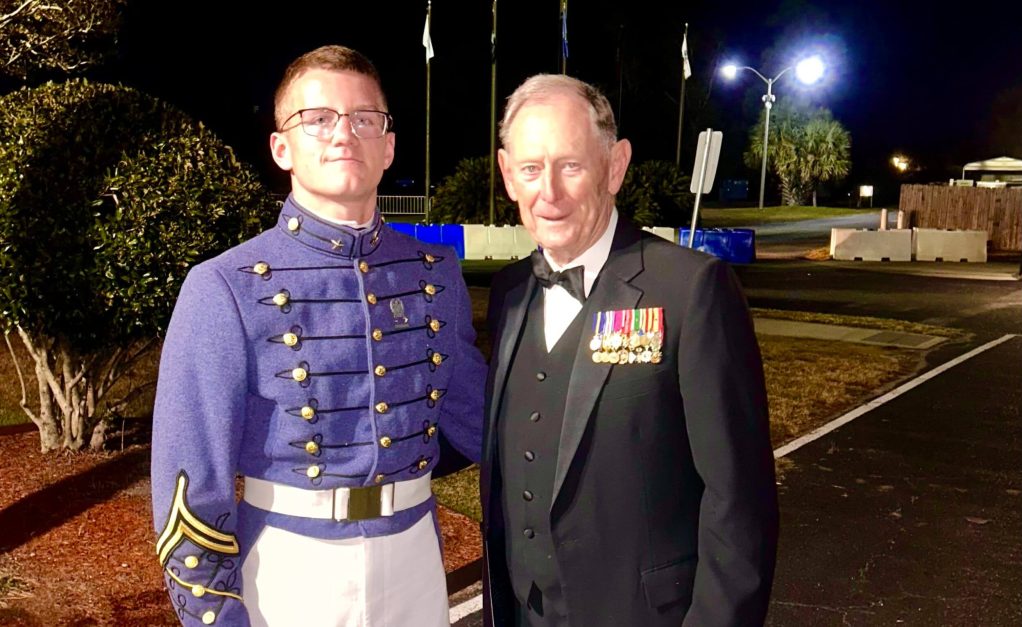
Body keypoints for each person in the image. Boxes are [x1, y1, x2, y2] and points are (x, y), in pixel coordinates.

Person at [151, 45, 485, 627]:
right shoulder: (225, 286)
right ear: (281, 147)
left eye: (364, 118)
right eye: (318, 118)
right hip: (287, 567)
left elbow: (484, 423)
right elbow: (192, 485)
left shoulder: (434, 273)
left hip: (416, 563)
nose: (343, 134)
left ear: (389, 146)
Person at [481, 74, 779, 627]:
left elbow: (738, 500)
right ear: (508, 175)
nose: (549, 191)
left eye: (571, 165)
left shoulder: (691, 290)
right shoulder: (510, 292)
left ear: (614, 166)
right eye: (531, 168)